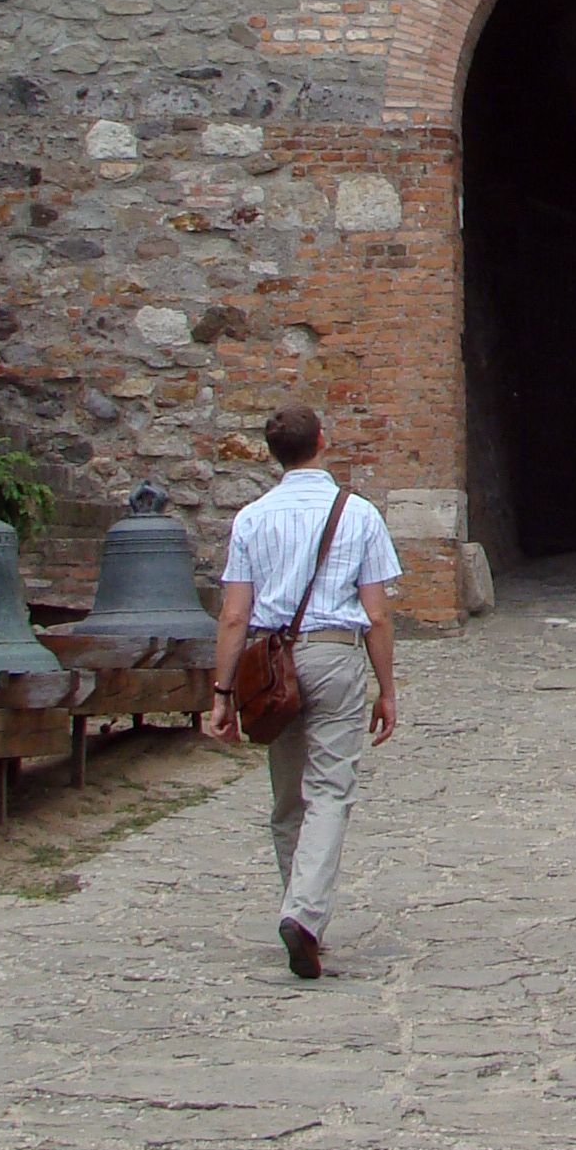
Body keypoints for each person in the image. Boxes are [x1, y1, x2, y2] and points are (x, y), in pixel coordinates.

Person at [203, 406, 401, 978]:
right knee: (331, 790)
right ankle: (305, 916)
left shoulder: (252, 519)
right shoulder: (358, 515)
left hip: (270, 664)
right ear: (322, 440)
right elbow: (378, 614)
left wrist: (221, 693)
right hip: (336, 654)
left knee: (288, 797)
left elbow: (234, 616)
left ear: (273, 454)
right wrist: (386, 689)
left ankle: (300, 906)